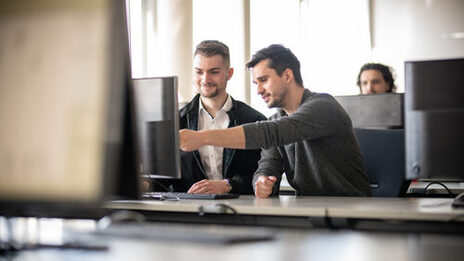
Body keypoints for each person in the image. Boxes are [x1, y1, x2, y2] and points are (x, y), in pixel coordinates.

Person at [179, 44, 370, 198]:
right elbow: (267, 165)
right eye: (256, 83)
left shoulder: (323, 106)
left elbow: (272, 132)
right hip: (312, 213)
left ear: (287, 75)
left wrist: (203, 138)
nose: (259, 90)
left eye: (263, 80)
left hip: (352, 213)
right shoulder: (277, 118)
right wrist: (261, 181)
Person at [171, 40, 266, 195]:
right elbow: (164, 180)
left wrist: (229, 185)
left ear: (229, 73)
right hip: (188, 211)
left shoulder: (255, 120)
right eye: (199, 72)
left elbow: (264, 175)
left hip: (241, 212)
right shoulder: (176, 121)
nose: (206, 79)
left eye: (214, 72)